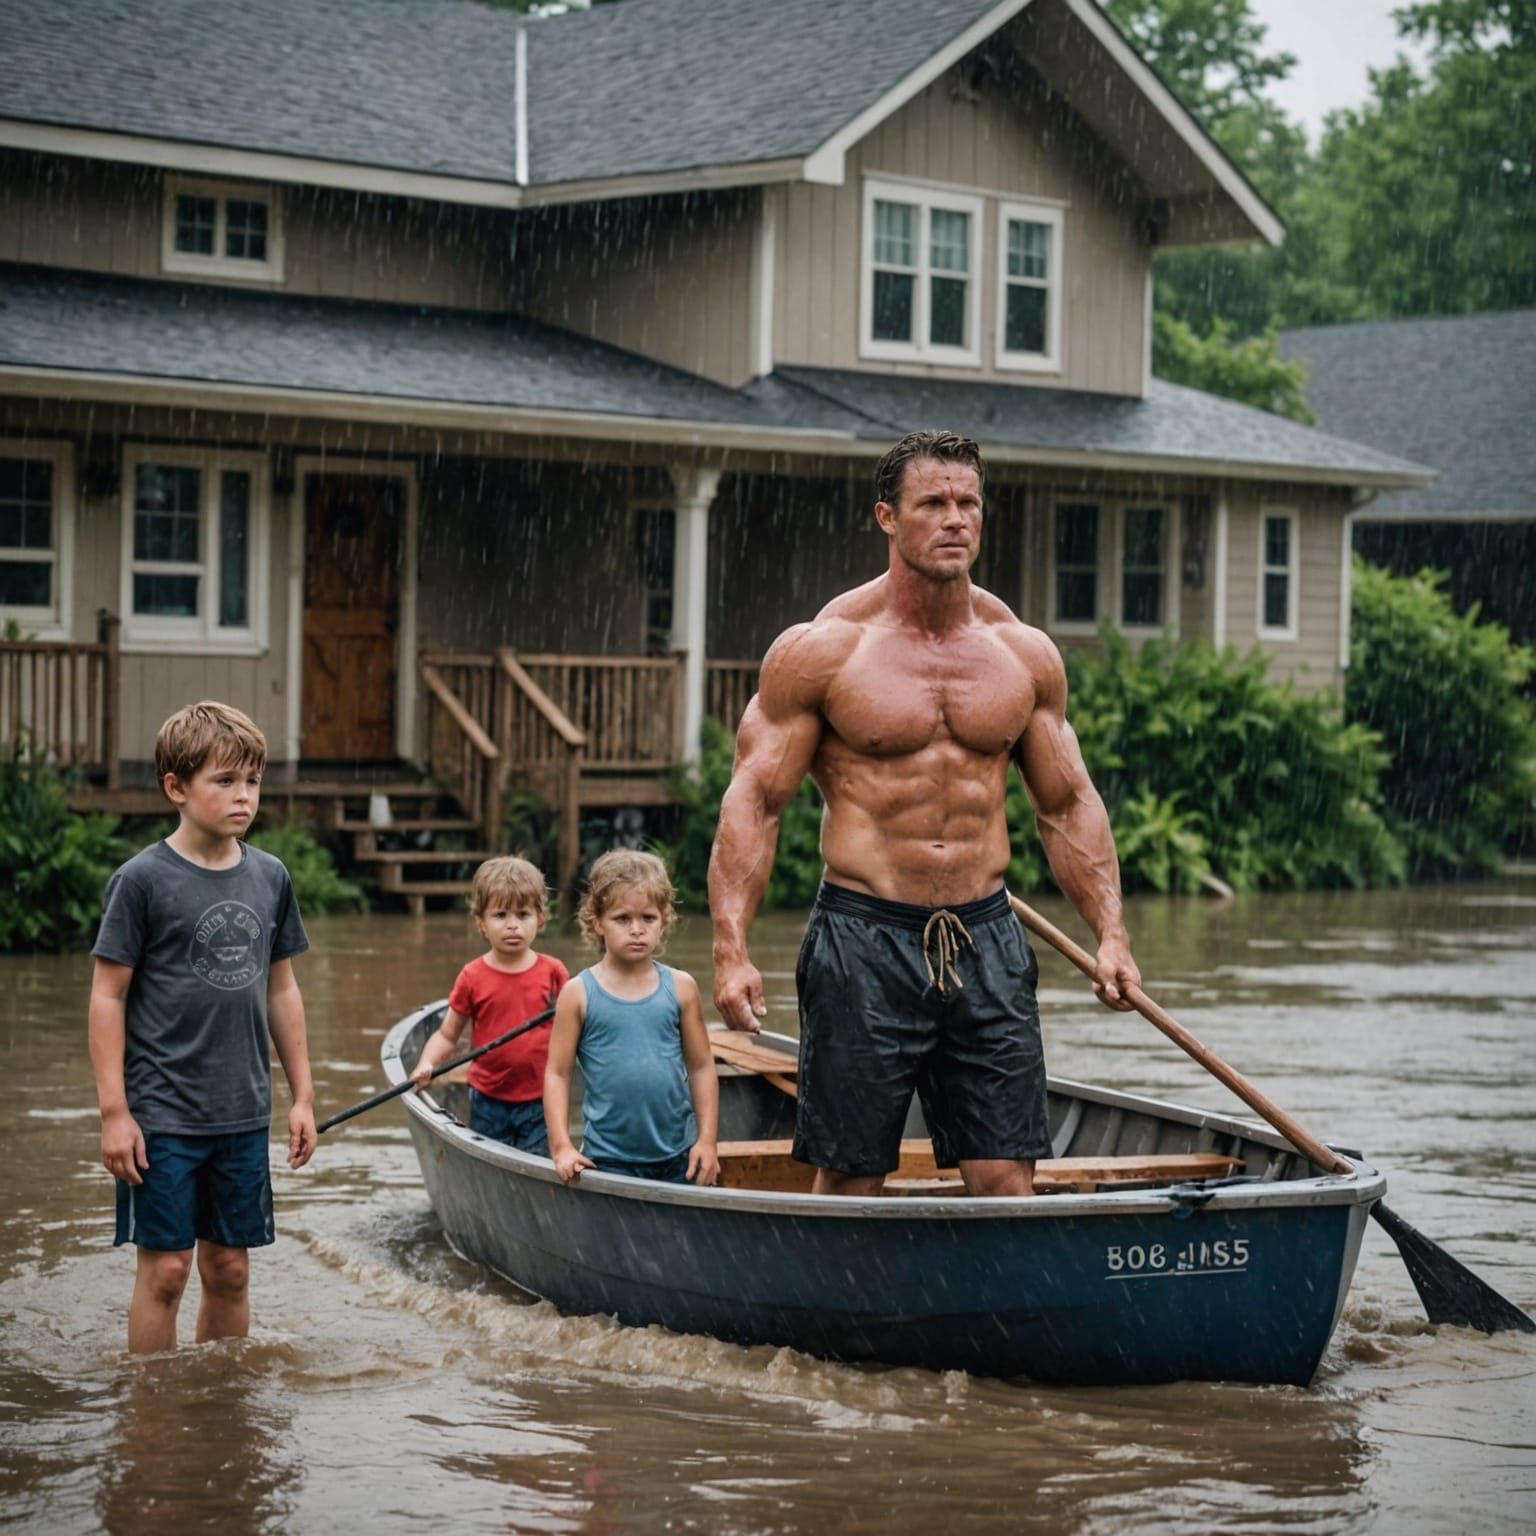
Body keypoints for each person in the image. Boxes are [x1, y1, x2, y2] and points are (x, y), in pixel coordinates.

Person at [708, 429, 1141, 1199]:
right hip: (863, 940)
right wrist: (730, 947)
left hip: (986, 939)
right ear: (887, 516)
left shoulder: (1023, 654)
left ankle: (996, 1318)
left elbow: (1067, 804)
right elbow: (756, 802)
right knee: (850, 1175)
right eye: (932, 503)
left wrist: (1111, 934)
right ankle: (838, 1320)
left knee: (1007, 1175)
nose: (954, 520)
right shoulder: (824, 651)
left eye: (968, 503)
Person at [88, 701, 315, 1353]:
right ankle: (157, 1421)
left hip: (241, 1110)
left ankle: (220, 1415)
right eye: (225, 781)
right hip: (161, 1112)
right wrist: (114, 1113)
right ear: (176, 788)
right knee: (165, 1271)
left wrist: (301, 1097)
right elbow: (107, 997)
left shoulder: (270, 877)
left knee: (230, 1269)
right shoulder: (141, 882)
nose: (243, 795)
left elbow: (282, 988)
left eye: (253, 781)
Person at [544, 850, 720, 1187]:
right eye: (622, 919)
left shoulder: (681, 988)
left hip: (678, 1154)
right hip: (607, 1158)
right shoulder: (578, 993)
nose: (637, 930)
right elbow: (557, 1073)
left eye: (648, 918)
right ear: (596, 921)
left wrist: (707, 1142)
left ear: (664, 920)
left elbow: (701, 1067)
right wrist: (562, 1147)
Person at [409, 856, 568, 1153]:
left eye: (523, 915)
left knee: (537, 1167)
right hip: (488, 1098)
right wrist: (427, 1063)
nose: (512, 926)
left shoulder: (554, 972)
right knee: (495, 1162)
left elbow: (576, 1029)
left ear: (541, 919)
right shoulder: (472, 976)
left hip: (541, 1098)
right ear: (481, 922)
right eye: (501, 915)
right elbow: (447, 1035)